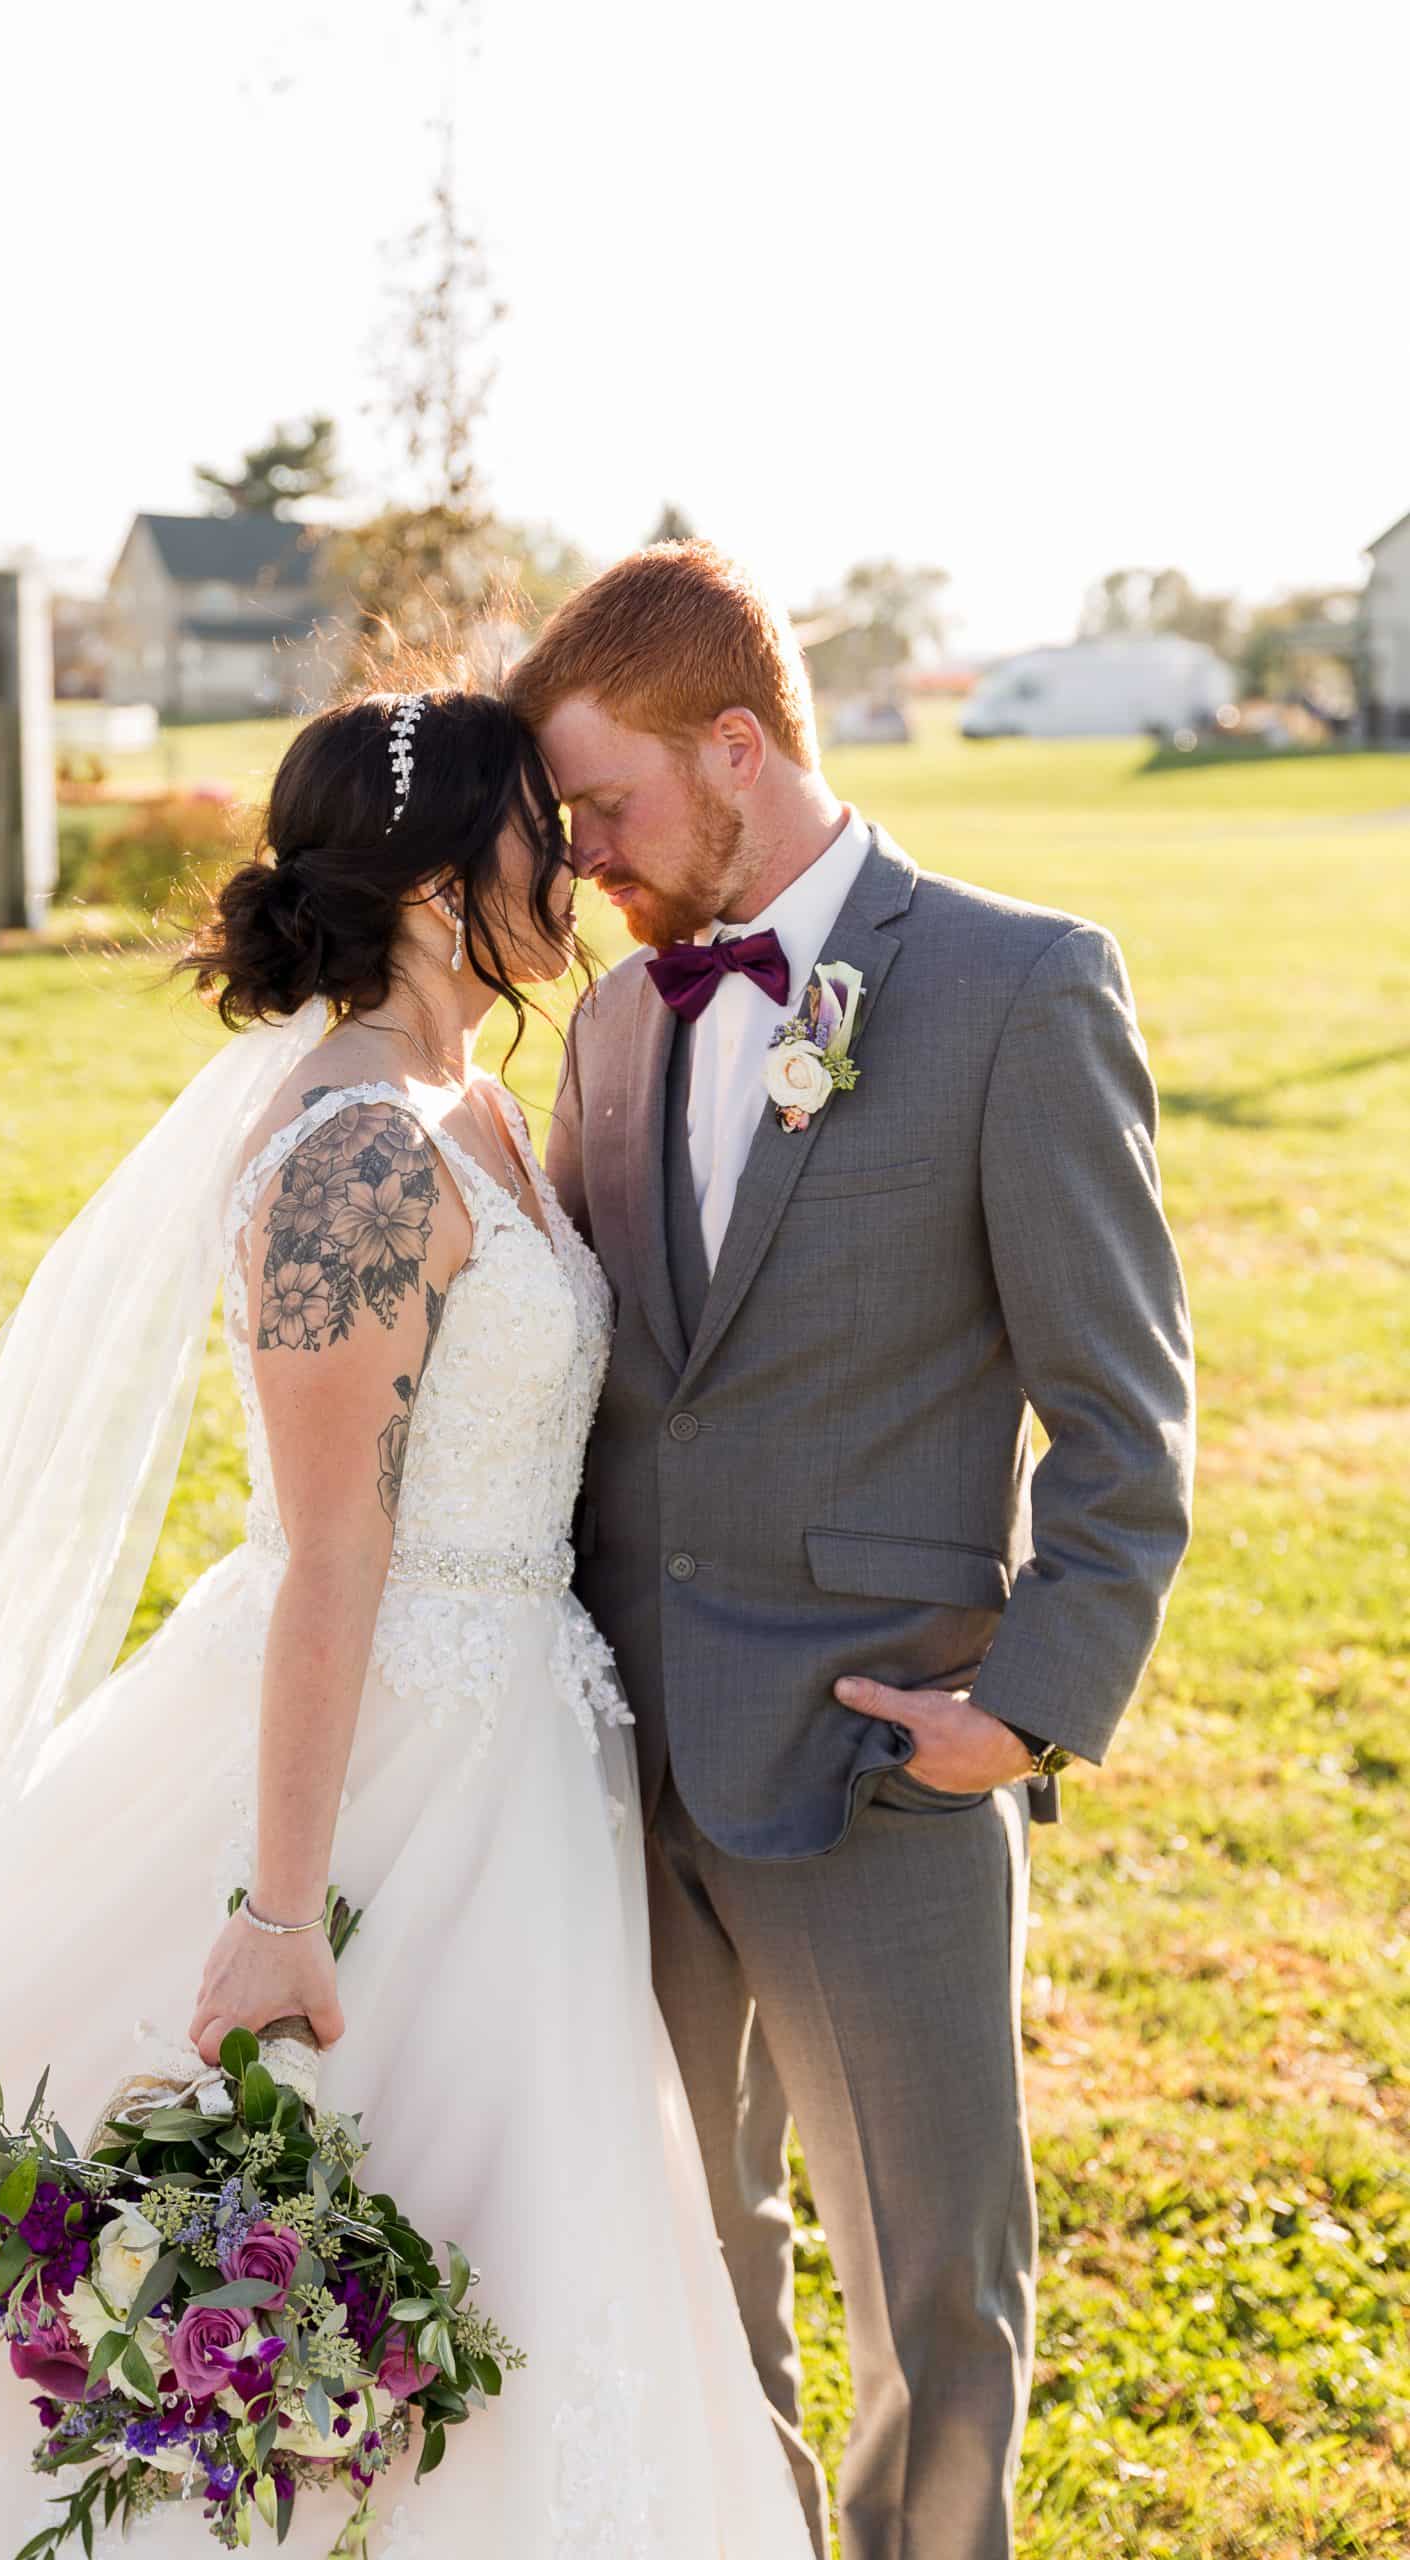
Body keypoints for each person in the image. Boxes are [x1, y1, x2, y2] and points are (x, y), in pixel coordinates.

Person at [0, 683, 813, 2559]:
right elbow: (326, 1558)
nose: (577, 856)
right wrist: (280, 1909)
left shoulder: (469, 1098)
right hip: (376, 1755)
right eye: (546, 826)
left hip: (519, 1750)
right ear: (451, 877)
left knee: (515, 2220)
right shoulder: (358, 1154)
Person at [509, 542, 1198, 2560]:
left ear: (738, 746)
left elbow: (1123, 1412)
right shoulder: (617, 1021)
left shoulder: (1016, 982)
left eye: (607, 808)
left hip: (873, 1764)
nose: (585, 863)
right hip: (614, 1762)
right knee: (675, 2256)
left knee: (933, 2291)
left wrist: (1031, 1708)